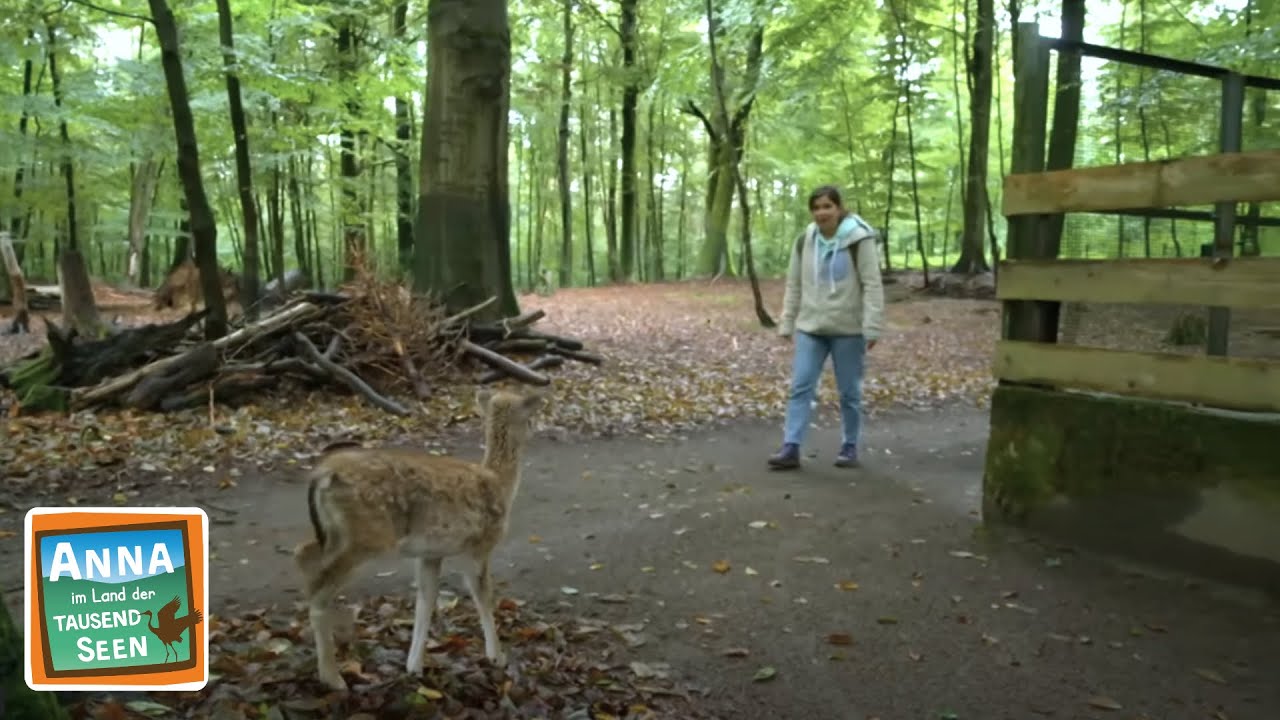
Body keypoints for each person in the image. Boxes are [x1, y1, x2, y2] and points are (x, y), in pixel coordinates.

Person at [768, 185, 885, 470]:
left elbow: (872, 284)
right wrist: (787, 321)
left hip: (848, 330)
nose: (821, 213)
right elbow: (794, 284)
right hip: (811, 327)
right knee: (800, 387)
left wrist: (872, 326)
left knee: (849, 393)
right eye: (816, 207)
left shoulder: (860, 239)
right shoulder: (804, 240)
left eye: (827, 206)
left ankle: (849, 446)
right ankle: (791, 447)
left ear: (839, 208)